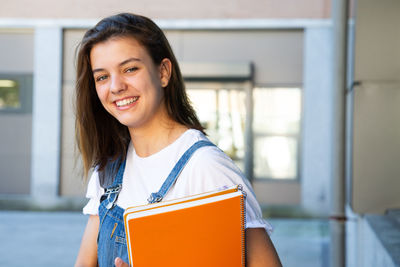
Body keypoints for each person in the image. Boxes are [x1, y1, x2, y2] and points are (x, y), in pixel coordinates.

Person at [74, 13, 282, 267]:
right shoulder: (108, 168)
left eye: (129, 69)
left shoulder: (206, 168)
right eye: (102, 77)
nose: (115, 86)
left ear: (163, 72)